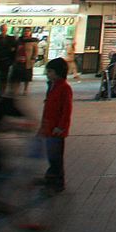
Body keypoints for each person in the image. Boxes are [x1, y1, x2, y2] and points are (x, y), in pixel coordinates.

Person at [39, 57, 72, 193]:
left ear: (58, 72)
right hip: (49, 127)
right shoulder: (52, 86)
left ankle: (56, 181)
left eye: (50, 71)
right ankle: (53, 179)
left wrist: (61, 126)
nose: (48, 74)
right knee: (51, 155)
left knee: (56, 157)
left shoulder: (64, 88)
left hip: (57, 130)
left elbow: (66, 109)